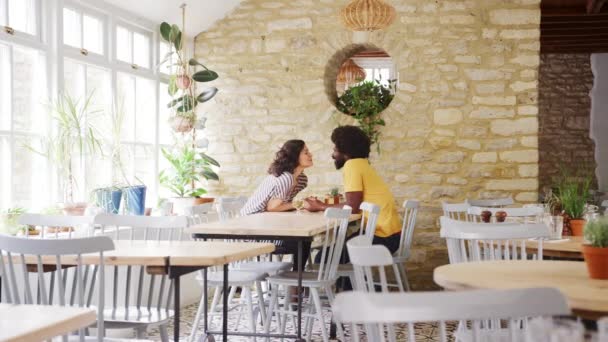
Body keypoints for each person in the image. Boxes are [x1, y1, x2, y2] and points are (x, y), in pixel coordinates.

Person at [304, 125, 403, 254]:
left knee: (322, 258)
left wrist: (320, 206)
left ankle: (356, 274)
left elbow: (352, 207)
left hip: (381, 238)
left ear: (345, 151)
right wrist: (323, 205)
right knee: (332, 252)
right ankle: (358, 275)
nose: (333, 155)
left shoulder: (352, 165)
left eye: (335, 150)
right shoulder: (362, 164)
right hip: (391, 235)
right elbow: (354, 204)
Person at [240, 139, 313, 270]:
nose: (310, 155)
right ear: (295, 156)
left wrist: (300, 204)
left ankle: (294, 283)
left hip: (267, 224)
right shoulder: (286, 178)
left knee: (304, 239)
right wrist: (300, 203)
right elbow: (272, 208)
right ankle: (295, 283)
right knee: (302, 242)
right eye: (306, 152)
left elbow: (283, 206)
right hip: (252, 231)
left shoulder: (302, 180)